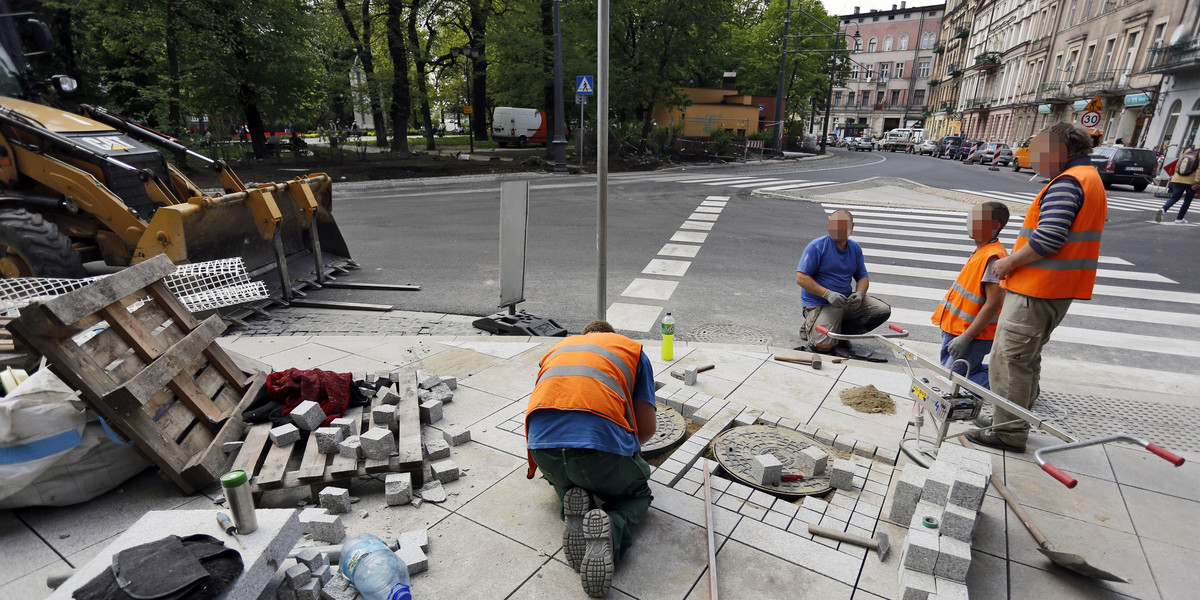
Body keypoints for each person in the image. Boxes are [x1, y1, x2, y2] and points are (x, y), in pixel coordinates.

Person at [970, 122, 1107, 452]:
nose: (1032, 159)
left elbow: (1049, 237)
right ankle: (1012, 419)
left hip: (1038, 288)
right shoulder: (1088, 179)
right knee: (1027, 359)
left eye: (1039, 152)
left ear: (1060, 151)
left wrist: (1008, 263)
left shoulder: (1068, 183)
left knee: (1010, 360)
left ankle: (1008, 433)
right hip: (1055, 289)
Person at [525, 320, 656, 598]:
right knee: (639, 495)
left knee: (566, 472)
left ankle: (572, 500)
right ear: (612, 336)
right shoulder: (631, 351)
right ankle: (612, 527)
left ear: (585, 336)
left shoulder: (557, 349)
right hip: (598, 453)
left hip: (542, 449)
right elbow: (647, 429)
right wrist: (627, 458)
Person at [931, 201, 1009, 388]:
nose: (971, 223)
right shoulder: (982, 250)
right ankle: (1006, 375)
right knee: (951, 374)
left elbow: (993, 303)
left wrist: (967, 337)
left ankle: (1014, 385)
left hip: (972, 335)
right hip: (956, 330)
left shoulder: (993, 257)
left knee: (953, 383)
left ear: (995, 225)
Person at [795, 210, 892, 360]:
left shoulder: (854, 248)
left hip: (846, 301)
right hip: (821, 303)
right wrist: (827, 294)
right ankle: (812, 323)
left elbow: (862, 276)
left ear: (851, 227)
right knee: (822, 347)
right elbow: (801, 278)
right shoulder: (816, 246)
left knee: (882, 311)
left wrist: (860, 293)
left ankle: (839, 334)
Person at [1156, 144, 1200, 224]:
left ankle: (1163, 209)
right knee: (1187, 200)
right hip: (1191, 180)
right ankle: (1179, 218)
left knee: (1174, 197)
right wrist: (1197, 182)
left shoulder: (1189, 150)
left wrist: (1176, 175)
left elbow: (1178, 164)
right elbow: (1199, 169)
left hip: (1178, 178)